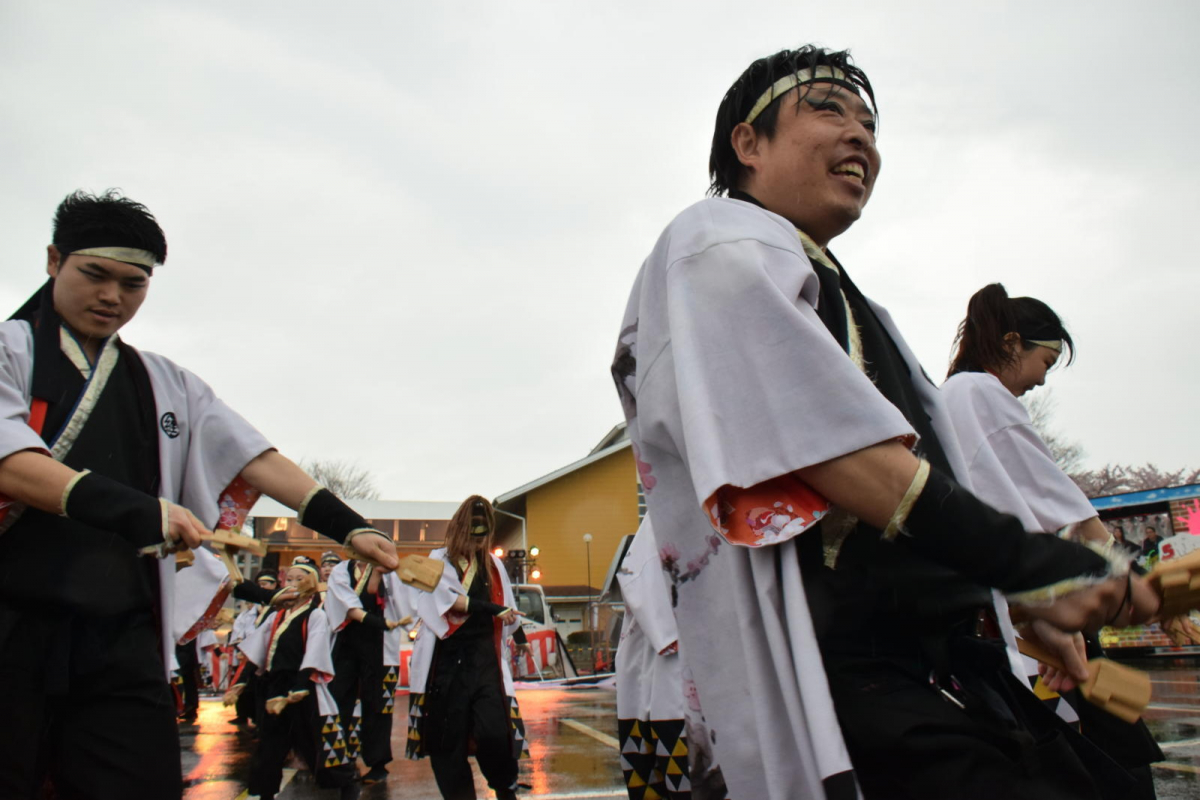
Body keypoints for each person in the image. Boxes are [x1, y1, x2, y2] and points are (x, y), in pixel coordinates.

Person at [610, 46, 1160, 800]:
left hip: (935, 668)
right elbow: (843, 459)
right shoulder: (716, 241)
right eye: (829, 110)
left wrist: (1015, 609)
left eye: (870, 123)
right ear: (748, 143)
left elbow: (915, 486)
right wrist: (1035, 568)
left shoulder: (854, 302)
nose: (862, 137)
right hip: (847, 674)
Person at [0, 190, 400, 799]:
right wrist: (142, 510)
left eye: (134, 284)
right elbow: (11, 461)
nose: (113, 297)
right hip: (14, 624)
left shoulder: (164, 382)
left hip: (123, 631)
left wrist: (350, 526)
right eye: (95, 274)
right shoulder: (10, 355)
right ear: (54, 260)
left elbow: (253, 456)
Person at [942, 282, 1165, 798]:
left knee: (1058, 746)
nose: (1042, 379)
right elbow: (1061, 499)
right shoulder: (982, 394)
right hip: (1034, 607)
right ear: (1012, 343)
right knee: (1109, 752)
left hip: (1000, 610)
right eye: (1045, 360)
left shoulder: (951, 393)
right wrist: (1128, 579)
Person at [406, 496, 528, 800]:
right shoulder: (436, 560)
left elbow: (507, 607)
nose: (477, 543)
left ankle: (504, 785)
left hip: (484, 657)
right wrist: (492, 608)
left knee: (494, 731)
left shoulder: (493, 564)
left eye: (482, 536)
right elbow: (448, 603)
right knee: (448, 739)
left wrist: (520, 635)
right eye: (473, 536)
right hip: (445, 660)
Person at [231, 559, 358, 800]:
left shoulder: (316, 616)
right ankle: (264, 793)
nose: (292, 584)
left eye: (299, 579)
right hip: (274, 690)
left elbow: (315, 652)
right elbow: (258, 650)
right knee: (269, 747)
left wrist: (300, 686)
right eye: (289, 579)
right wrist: (240, 682)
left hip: (303, 691)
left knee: (315, 746)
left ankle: (347, 785)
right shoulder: (276, 616)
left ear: (311, 584)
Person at [324, 552, 414, 785]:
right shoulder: (341, 570)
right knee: (337, 698)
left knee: (378, 704)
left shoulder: (390, 570)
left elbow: (403, 602)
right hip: (347, 640)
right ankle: (340, 759)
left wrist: (382, 573)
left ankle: (377, 763)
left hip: (381, 643)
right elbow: (344, 603)